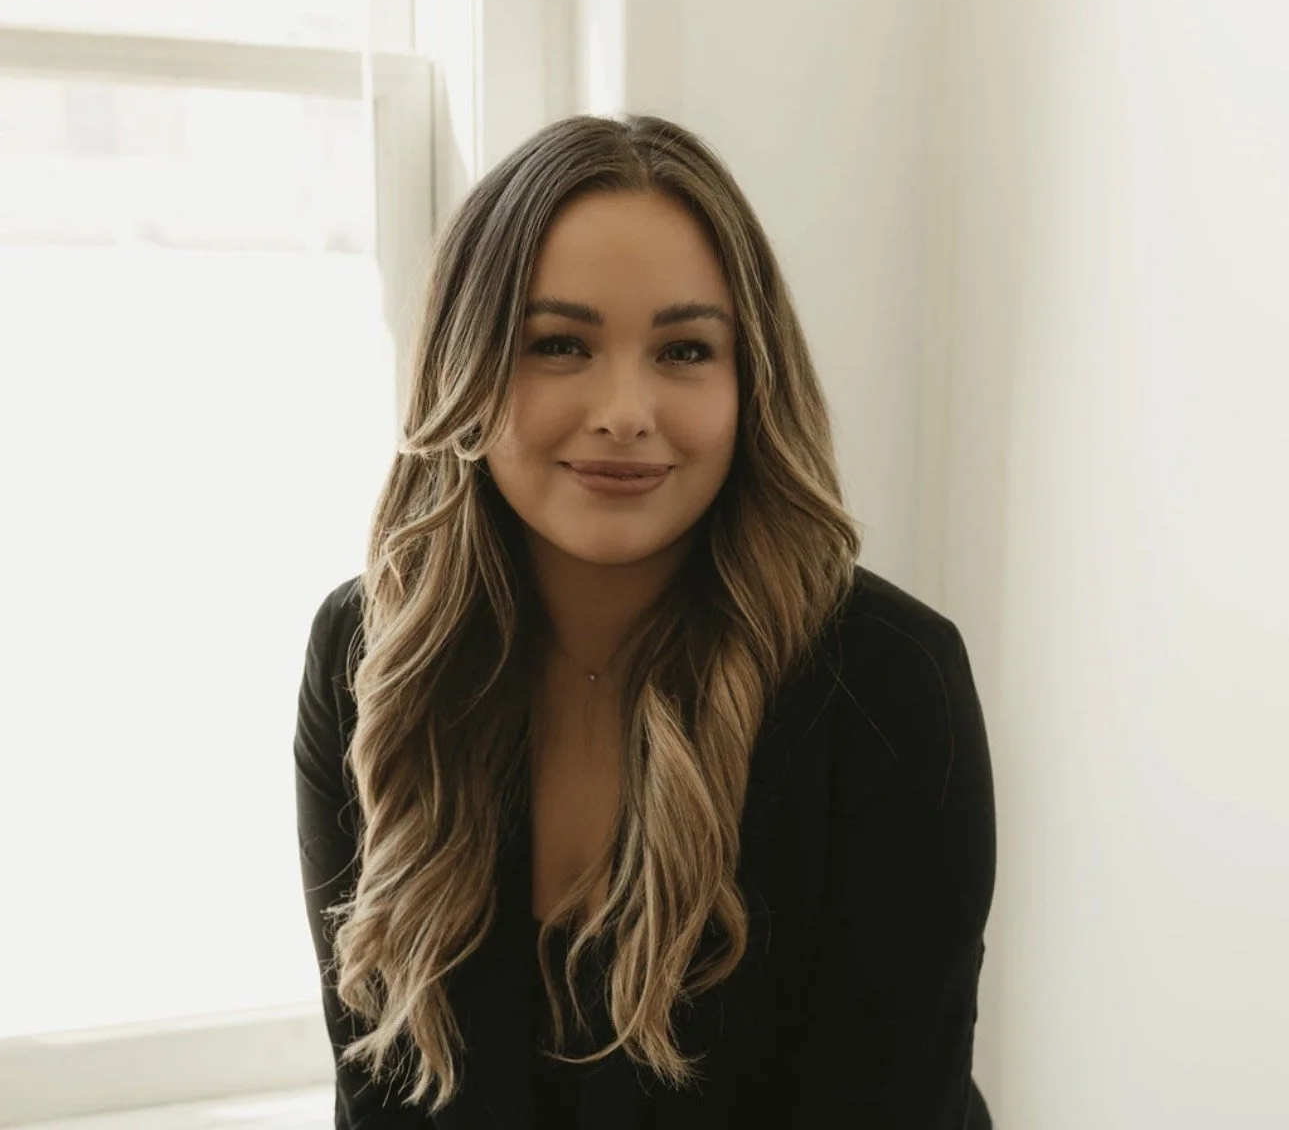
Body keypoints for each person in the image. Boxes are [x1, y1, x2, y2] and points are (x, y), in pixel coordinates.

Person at [294, 113, 996, 1129]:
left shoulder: (891, 682)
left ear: (749, 380)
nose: (624, 410)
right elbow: (378, 1089)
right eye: (559, 344)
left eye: (683, 349)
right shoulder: (368, 656)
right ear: (464, 365)